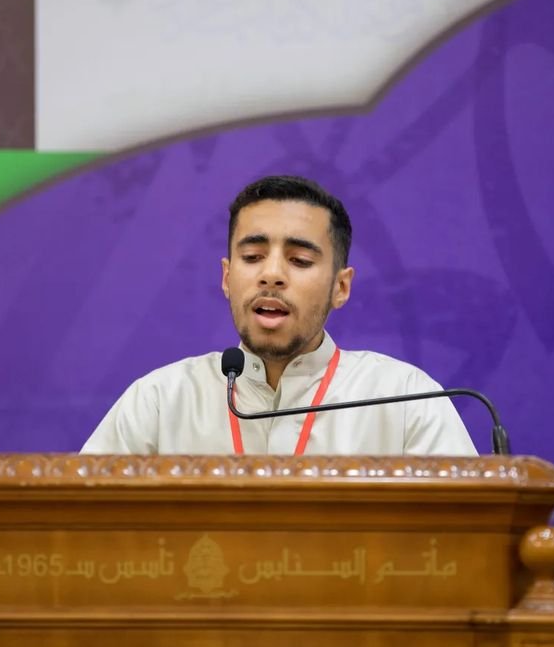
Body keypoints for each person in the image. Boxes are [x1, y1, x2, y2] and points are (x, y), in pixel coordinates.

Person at [80, 175, 477, 456]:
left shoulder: (405, 401)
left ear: (341, 287)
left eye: (299, 260)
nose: (271, 274)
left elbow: (466, 537)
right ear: (227, 277)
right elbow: (79, 527)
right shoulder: (160, 401)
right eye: (252, 257)